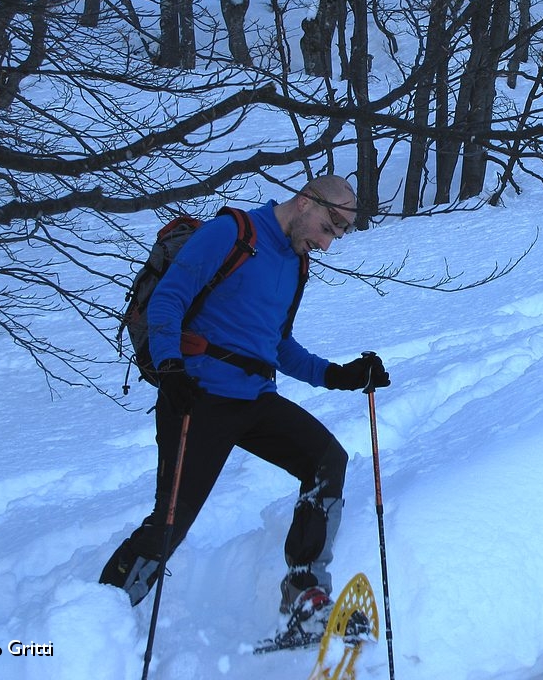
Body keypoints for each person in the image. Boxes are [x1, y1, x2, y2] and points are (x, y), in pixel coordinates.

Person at [100, 175, 390, 643]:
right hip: (196, 396)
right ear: (305, 201)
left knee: (325, 460)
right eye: (329, 225)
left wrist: (339, 375)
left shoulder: (295, 265)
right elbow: (169, 300)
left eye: (338, 234)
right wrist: (171, 369)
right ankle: (97, 618)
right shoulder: (231, 234)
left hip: (254, 398)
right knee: (172, 521)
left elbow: (275, 344)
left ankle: (304, 595)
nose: (327, 242)